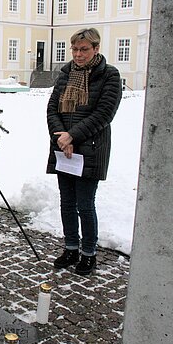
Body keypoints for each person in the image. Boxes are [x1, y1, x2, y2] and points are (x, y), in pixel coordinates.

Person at [46, 27, 122, 275]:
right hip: (63, 148)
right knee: (67, 202)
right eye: (75, 49)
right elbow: (52, 109)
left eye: (84, 50)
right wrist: (61, 137)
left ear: (96, 48)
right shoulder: (66, 73)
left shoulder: (109, 75)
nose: (78, 54)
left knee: (85, 205)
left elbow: (104, 113)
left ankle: (89, 253)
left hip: (90, 148)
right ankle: (70, 248)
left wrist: (73, 136)